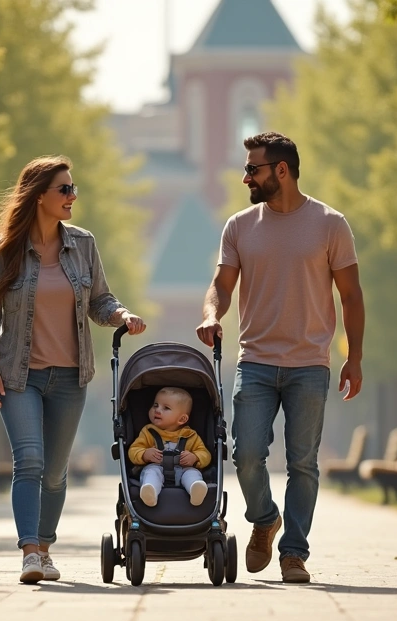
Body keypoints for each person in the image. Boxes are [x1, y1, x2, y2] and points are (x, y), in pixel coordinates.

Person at [196, 132, 364, 584]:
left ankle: (294, 553)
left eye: (253, 169)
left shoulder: (330, 224)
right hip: (254, 360)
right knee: (246, 454)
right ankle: (265, 518)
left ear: (282, 171)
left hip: (310, 363)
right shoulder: (239, 226)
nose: (246, 177)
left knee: (303, 463)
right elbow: (222, 285)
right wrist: (211, 314)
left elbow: (351, 295)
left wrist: (354, 358)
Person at [0, 155, 146, 584]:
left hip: (70, 377)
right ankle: (30, 552)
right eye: (64, 189)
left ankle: (45, 549)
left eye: (73, 188)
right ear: (38, 196)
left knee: (54, 472)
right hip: (19, 376)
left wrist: (122, 315)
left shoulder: (82, 244)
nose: (72, 196)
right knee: (29, 461)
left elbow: (100, 301)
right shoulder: (2, 251)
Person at [127, 387, 212, 507]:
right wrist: (145, 454)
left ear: (182, 419)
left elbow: (205, 454)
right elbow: (133, 450)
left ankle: (195, 489)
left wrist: (195, 457)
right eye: (155, 405)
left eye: (166, 408)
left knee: (192, 473)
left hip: (183, 469)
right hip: (157, 468)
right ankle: (150, 492)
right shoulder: (148, 432)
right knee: (151, 472)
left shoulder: (190, 435)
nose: (157, 410)